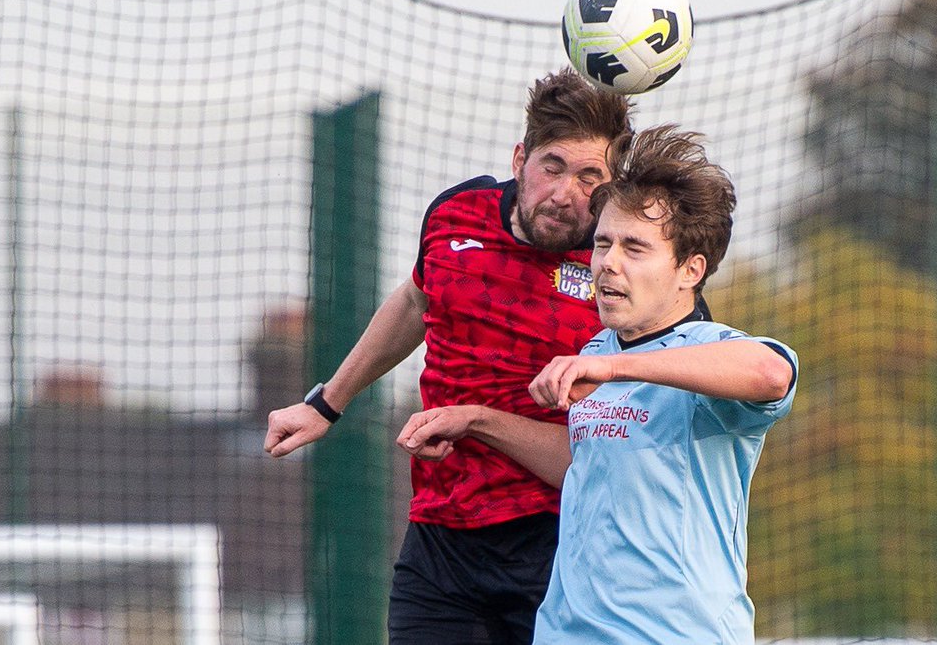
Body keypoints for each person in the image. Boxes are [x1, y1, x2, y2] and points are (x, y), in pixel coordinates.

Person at [264, 67, 633, 645]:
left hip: (565, 541)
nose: (565, 193)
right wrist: (327, 403)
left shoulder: (621, 266)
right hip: (441, 535)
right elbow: (417, 298)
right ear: (520, 159)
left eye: (591, 177)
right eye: (552, 167)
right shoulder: (457, 213)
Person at [398, 125, 798, 645]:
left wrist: (617, 371)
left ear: (690, 270)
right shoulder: (596, 352)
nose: (608, 261)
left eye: (635, 248)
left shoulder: (704, 350)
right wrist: (475, 419)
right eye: (604, 242)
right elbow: (584, 465)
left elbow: (771, 374)